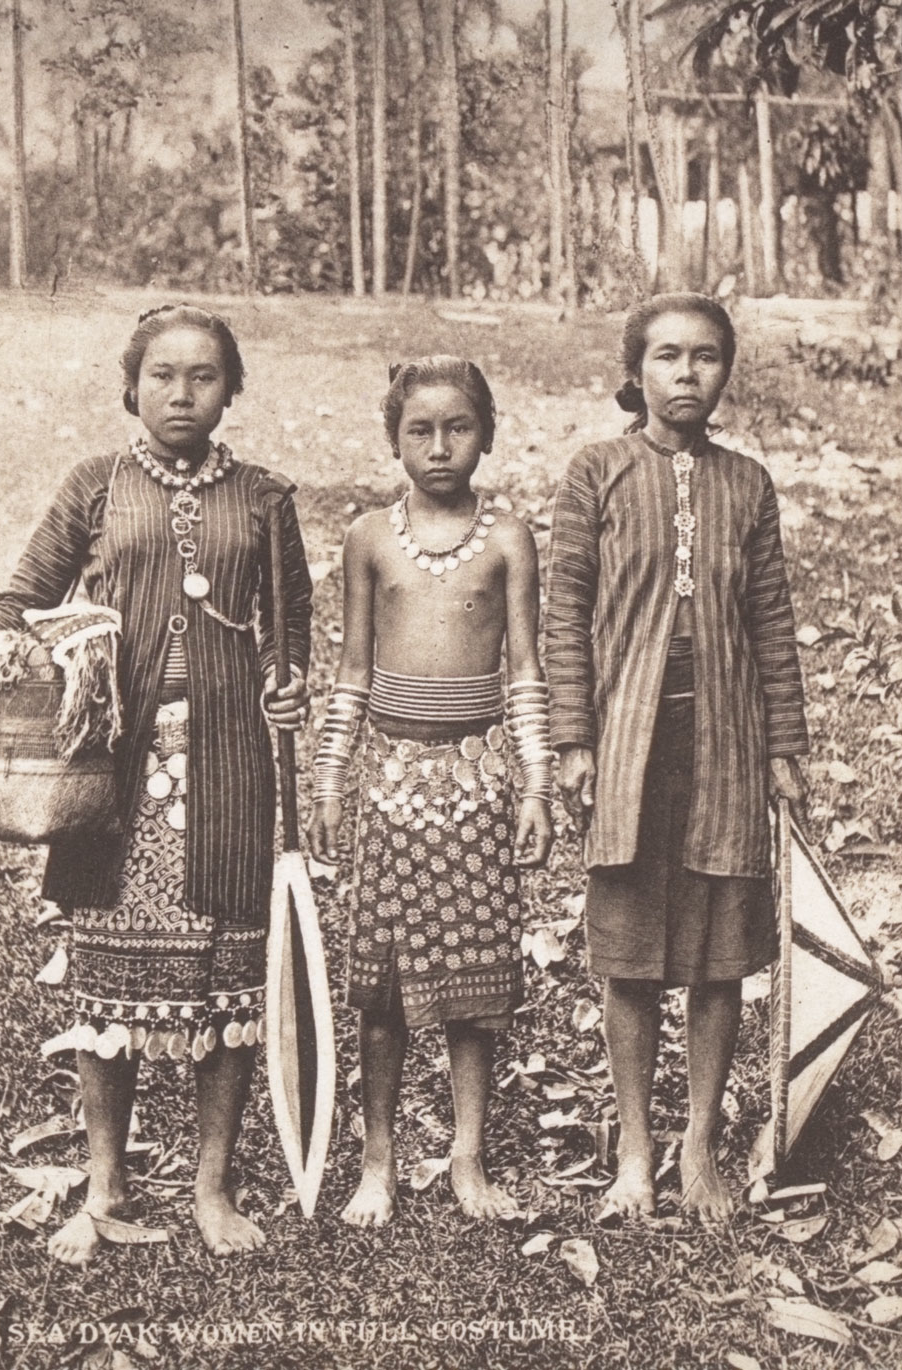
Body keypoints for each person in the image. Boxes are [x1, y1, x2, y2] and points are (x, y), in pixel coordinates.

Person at [0, 304, 313, 1264]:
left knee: (228, 977)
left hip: (231, 765)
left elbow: (292, 633)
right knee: (106, 983)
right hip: (112, 769)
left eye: (203, 377)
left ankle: (212, 1184)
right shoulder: (95, 486)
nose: (182, 393)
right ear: (132, 386)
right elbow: (17, 599)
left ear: (232, 389)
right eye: (162, 376)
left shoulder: (266, 498)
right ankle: (105, 1180)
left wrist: (288, 682)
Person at [545, 293, 808, 1223]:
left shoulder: (747, 484)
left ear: (725, 371)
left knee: (718, 950)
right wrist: (574, 738)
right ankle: (632, 1145)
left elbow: (772, 620)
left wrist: (785, 747)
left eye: (704, 357)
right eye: (666, 357)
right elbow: (565, 612)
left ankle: (697, 1141)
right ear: (636, 372)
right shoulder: (599, 473)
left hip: (726, 741)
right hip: (628, 744)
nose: (686, 374)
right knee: (629, 949)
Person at [308, 355, 553, 1225]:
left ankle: (467, 1157)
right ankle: (376, 1161)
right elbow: (349, 674)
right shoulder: (371, 537)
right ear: (394, 438)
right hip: (391, 790)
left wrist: (533, 787)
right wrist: (332, 782)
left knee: (473, 988)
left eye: (458, 428)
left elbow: (526, 670)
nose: (440, 446)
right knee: (381, 990)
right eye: (420, 430)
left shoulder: (510, 538)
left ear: (485, 433)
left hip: (478, 787)